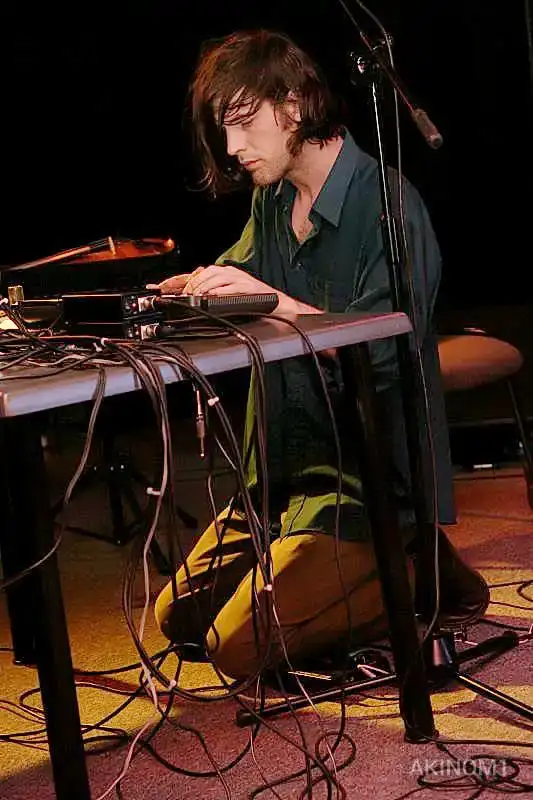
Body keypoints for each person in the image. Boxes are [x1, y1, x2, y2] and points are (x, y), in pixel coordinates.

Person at [153, 29, 488, 682]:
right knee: (180, 620)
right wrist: (181, 289)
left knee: (235, 649)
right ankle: (374, 575)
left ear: (294, 104)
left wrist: (276, 302)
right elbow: (237, 277)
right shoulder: (272, 200)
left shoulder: (389, 205)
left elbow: (382, 355)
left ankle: (422, 574)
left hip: (364, 489)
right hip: (284, 480)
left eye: (243, 123)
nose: (232, 147)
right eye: (225, 129)